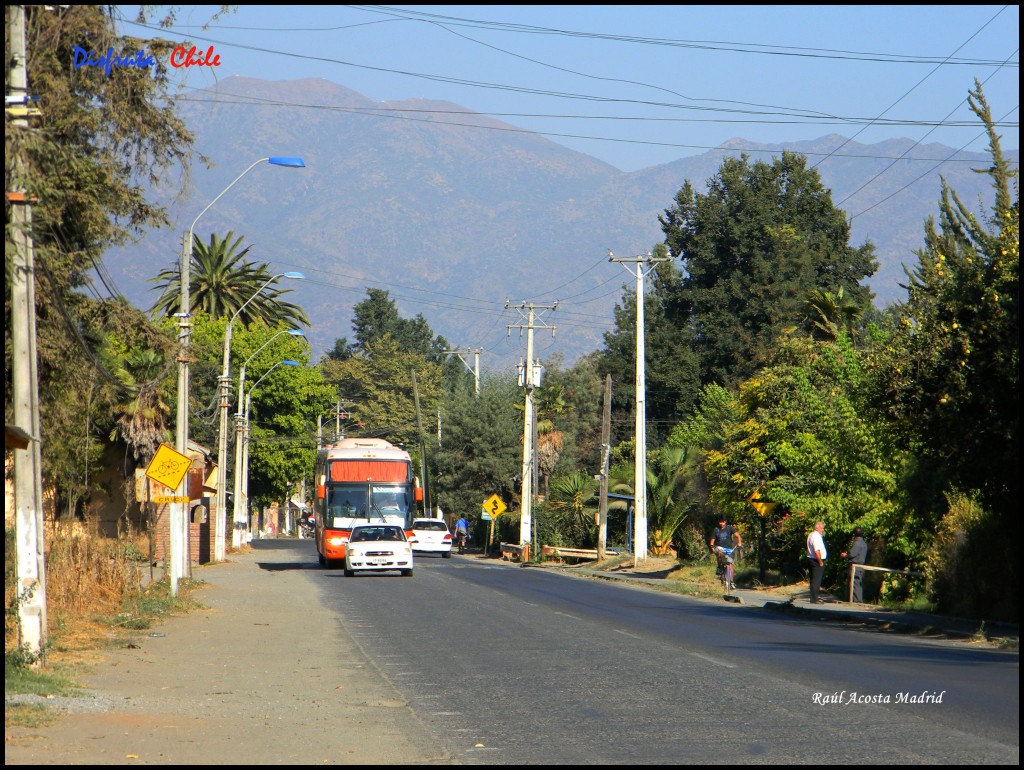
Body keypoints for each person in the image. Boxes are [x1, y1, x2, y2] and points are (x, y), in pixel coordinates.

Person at [709, 516, 741, 589]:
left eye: (723, 522)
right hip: (719, 547)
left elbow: (738, 536)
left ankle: (731, 581)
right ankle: (720, 567)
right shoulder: (716, 530)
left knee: (730, 564)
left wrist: (739, 543)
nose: (722, 523)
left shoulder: (729, 528)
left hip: (729, 548)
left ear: (725, 522)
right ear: (718, 522)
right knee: (719, 552)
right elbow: (712, 542)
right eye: (720, 522)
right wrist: (713, 549)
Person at [841, 527, 868, 603]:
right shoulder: (864, 543)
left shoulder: (857, 543)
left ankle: (857, 601)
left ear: (854, 534)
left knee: (855, 584)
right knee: (858, 583)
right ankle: (853, 600)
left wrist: (845, 555)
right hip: (861, 566)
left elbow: (852, 554)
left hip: (855, 566)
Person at [806, 520, 828, 604]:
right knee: (816, 580)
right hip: (816, 560)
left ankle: (813, 597)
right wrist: (820, 562)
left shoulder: (811, 535)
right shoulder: (816, 537)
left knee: (813, 579)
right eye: (822, 528)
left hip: (811, 558)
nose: (823, 530)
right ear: (817, 528)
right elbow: (817, 551)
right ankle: (815, 598)